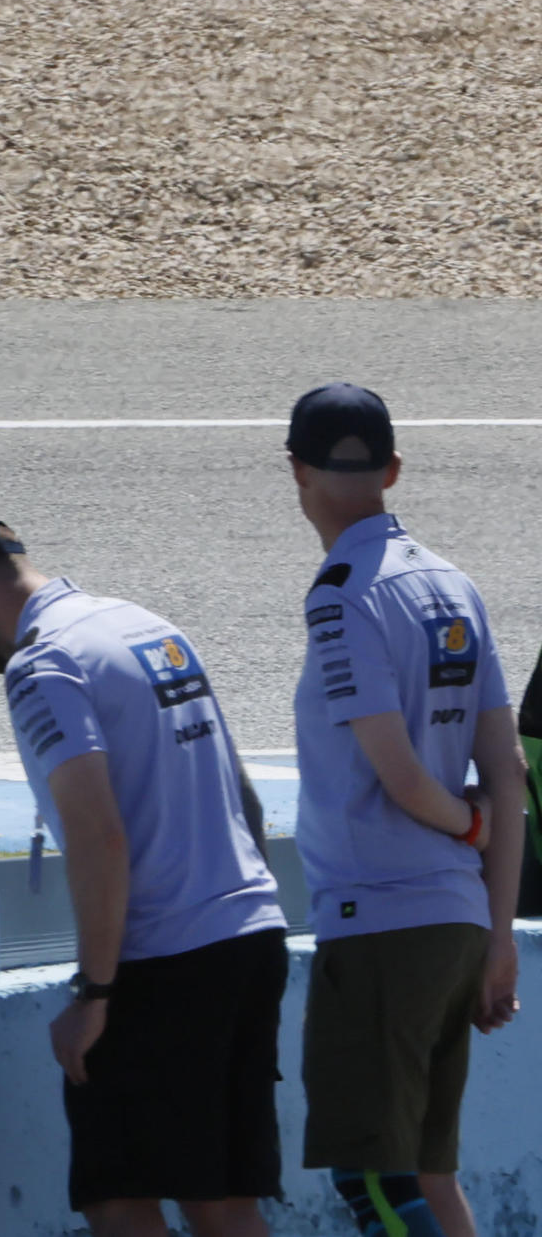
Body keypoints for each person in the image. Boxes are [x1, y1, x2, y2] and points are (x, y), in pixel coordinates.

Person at [0, 517, 288, 1237]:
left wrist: (95, 991)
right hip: (251, 937)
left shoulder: (43, 667)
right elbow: (245, 798)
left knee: (118, 1195)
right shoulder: (144, 625)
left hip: (165, 957)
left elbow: (99, 836)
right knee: (224, 1200)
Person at [284, 383, 528, 1237]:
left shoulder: (342, 594)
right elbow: (507, 773)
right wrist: (497, 935)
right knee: (429, 1175)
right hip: (457, 921)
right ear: (392, 470)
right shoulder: (455, 585)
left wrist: (463, 826)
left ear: (295, 473)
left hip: (382, 919)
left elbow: (398, 774)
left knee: (375, 1182)